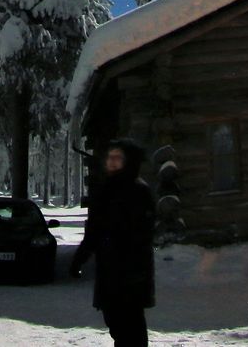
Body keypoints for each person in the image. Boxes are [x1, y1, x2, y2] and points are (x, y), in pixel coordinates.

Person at [69, 138, 156, 346]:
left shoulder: (138, 190)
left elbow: (143, 232)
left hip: (131, 273)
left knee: (131, 327)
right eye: (110, 157)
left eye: (118, 158)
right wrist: (79, 259)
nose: (112, 161)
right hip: (111, 272)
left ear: (129, 161)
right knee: (117, 323)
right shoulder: (106, 189)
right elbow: (94, 231)